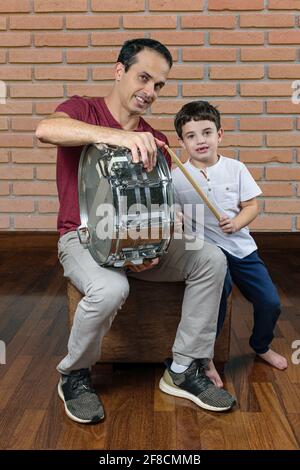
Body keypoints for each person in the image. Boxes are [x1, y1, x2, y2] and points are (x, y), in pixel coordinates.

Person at [35, 39, 236, 424]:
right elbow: (47, 129)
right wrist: (118, 136)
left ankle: (183, 367)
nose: (150, 92)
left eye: (159, 85)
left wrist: (154, 245)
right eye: (143, 78)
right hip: (81, 236)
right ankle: (74, 375)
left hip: (139, 240)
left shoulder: (154, 140)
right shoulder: (84, 110)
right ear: (119, 71)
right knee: (112, 288)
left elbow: (159, 207)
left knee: (211, 258)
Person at [172, 100, 287, 382]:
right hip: (207, 254)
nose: (200, 141)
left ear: (220, 135)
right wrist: (176, 221)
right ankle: (206, 357)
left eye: (207, 132)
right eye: (191, 136)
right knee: (215, 302)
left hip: (241, 250)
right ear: (182, 142)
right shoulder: (177, 177)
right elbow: (174, 215)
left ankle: (261, 345)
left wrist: (237, 222)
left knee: (270, 301)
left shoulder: (235, 168)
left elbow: (252, 206)